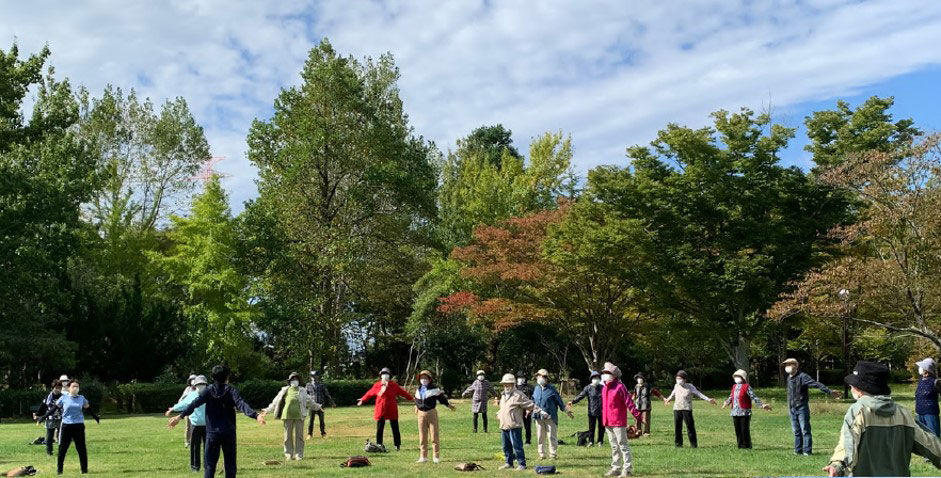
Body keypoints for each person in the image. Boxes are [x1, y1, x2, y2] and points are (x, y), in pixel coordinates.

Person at [823, 361, 941, 477]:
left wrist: (838, 466)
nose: (851, 386)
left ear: (859, 388)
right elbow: (932, 445)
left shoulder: (858, 411)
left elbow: (848, 445)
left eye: (853, 384)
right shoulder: (903, 413)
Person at [168, 365, 266, 478]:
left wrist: (179, 417)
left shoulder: (208, 391)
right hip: (228, 432)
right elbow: (241, 404)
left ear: (213, 377)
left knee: (210, 466)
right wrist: (256, 415)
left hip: (212, 433)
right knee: (230, 465)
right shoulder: (231, 390)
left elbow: (194, 404)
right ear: (227, 377)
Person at [782, 358, 842, 456]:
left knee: (805, 430)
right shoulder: (789, 378)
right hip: (792, 408)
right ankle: (798, 451)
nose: (788, 366)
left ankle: (807, 451)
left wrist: (829, 391)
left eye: (790, 364)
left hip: (801, 407)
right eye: (786, 365)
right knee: (796, 431)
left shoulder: (803, 376)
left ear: (796, 365)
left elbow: (816, 384)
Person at [600, 362, 643, 478]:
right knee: (614, 446)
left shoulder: (620, 387)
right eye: (604, 373)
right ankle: (616, 468)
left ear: (614, 375)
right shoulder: (604, 388)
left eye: (607, 373)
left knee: (623, 445)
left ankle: (627, 469)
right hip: (607, 421)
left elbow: (629, 402)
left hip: (618, 421)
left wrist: (637, 415)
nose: (604, 375)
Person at [264, 372, 320, 461]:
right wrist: (267, 410)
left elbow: (309, 401)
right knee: (287, 436)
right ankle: (288, 454)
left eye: (296, 379)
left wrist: (318, 407)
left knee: (299, 436)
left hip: (300, 416)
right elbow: (276, 401)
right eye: (293, 379)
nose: (294, 381)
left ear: (299, 381)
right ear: (289, 381)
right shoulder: (284, 390)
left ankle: (299, 455)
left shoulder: (302, 390)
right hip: (287, 416)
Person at [357, 367, 414, 451]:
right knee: (380, 428)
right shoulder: (377, 385)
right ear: (381, 375)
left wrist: (411, 398)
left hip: (391, 409)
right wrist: (363, 399)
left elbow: (403, 392)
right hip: (381, 409)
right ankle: (379, 444)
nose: (385, 375)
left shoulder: (393, 385)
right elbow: (370, 393)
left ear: (389, 376)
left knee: (395, 428)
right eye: (383, 374)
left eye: (386, 374)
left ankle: (397, 445)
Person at [663, 370, 717, 448]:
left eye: (680, 378)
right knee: (677, 427)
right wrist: (667, 399)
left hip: (686, 409)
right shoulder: (676, 386)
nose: (678, 380)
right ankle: (678, 444)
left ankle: (693, 444)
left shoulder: (690, 386)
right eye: (677, 378)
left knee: (690, 427)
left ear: (685, 379)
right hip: (677, 409)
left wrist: (708, 399)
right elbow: (673, 394)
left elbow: (698, 393)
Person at [55, 379, 98, 475]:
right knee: (63, 448)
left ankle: (84, 470)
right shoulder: (63, 398)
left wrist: (95, 417)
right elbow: (55, 408)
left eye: (77, 386)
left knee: (81, 448)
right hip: (66, 425)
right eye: (73, 386)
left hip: (79, 425)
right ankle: (59, 470)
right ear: (68, 388)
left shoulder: (82, 398)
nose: (75, 388)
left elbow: (88, 408)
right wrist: (43, 416)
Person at [721, 369, 771, 449]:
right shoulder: (734, 386)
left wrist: (762, 405)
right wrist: (726, 402)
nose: (736, 378)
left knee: (744, 429)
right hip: (735, 412)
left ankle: (747, 446)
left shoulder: (747, 387)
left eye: (738, 376)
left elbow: (753, 397)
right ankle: (740, 445)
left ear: (743, 377)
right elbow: (731, 396)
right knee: (738, 430)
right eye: (735, 376)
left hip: (744, 412)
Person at [496, 373, 537, 471]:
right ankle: (508, 463)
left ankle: (522, 464)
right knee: (506, 446)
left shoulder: (518, 395)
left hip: (514, 425)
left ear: (513, 384)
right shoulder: (503, 395)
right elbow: (503, 408)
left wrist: (542, 412)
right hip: (504, 425)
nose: (506, 386)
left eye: (508, 384)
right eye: (504, 384)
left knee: (517, 446)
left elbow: (531, 405)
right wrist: (499, 413)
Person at [167, 375, 209, 472]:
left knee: (208, 447)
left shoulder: (210, 394)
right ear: (195, 386)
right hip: (195, 424)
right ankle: (195, 467)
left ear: (206, 385)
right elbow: (183, 404)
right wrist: (173, 408)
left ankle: (208, 466)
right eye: (199, 384)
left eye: (203, 384)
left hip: (208, 425)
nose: (201, 386)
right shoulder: (192, 395)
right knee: (195, 446)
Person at [413, 370, 455, 464]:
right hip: (420, 414)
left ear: (429, 379)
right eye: (422, 378)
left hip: (431, 412)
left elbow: (442, 399)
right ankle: (423, 456)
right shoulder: (418, 389)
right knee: (422, 436)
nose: (423, 380)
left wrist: (449, 406)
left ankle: (436, 456)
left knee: (434, 435)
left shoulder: (434, 389)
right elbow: (416, 400)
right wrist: (416, 406)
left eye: (425, 378)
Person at [532, 369, 573, 459]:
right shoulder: (536, 388)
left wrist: (567, 411)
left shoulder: (552, 389)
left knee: (551, 436)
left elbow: (560, 402)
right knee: (540, 436)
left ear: (546, 378)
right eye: (538, 376)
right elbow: (533, 401)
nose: (540, 378)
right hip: (538, 417)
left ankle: (553, 454)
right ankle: (542, 454)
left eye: (542, 376)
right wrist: (529, 410)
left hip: (550, 417)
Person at [569, 370, 604, 447]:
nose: (596, 379)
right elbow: (580, 396)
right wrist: (572, 401)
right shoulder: (588, 388)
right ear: (591, 378)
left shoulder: (603, 388)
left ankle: (600, 441)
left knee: (601, 427)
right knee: (592, 427)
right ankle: (591, 441)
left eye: (598, 377)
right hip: (591, 411)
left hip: (602, 411)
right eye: (594, 377)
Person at [34, 379, 63, 456]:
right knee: (49, 436)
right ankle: (49, 452)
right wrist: (37, 414)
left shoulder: (63, 397)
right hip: (50, 419)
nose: (57, 390)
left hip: (61, 418)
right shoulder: (48, 397)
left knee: (62, 436)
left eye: (59, 388)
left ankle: (61, 451)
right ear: (52, 388)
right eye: (56, 388)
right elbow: (43, 406)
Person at [915, 357, 941, 437]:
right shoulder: (921, 381)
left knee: (934, 437)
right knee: (922, 438)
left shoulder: (935, 382)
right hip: (919, 413)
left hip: (930, 414)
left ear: (926, 369)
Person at [305, 370, 335, 439]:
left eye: (315, 376)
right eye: (312, 376)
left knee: (321, 420)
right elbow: (305, 395)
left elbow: (327, 395)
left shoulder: (321, 385)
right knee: (310, 420)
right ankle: (309, 434)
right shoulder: (308, 385)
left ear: (318, 376)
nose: (314, 378)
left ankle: (323, 433)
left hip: (320, 405)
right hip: (312, 406)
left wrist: (332, 403)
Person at [515, 372, 535, 444]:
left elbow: (533, 397)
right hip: (517, 409)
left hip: (527, 409)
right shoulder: (514, 387)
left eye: (523, 378)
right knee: (516, 426)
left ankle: (528, 440)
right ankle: (517, 440)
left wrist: (530, 408)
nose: (521, 379)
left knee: (527, 426)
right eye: (520, 377)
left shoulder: (529, 387)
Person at [181, 374, 197, 448]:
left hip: (197, 410)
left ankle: (197, 440)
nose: (193, 381)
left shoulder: (198, 389)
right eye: (191, 380)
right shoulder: (187, 389)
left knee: (198, 426)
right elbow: (182, 399)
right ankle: (187, 441)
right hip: (188, 409)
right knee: (188, 426)